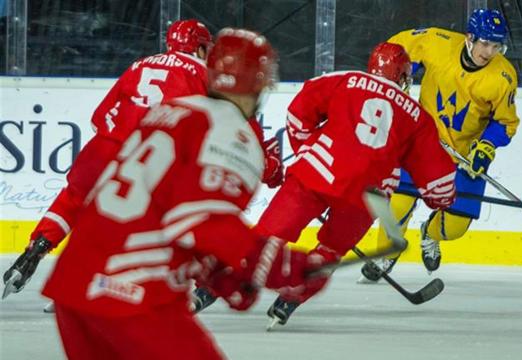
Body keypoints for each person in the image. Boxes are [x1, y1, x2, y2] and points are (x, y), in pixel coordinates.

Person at [39, 28, 324, 359]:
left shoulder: (168, 112)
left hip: (74, 286)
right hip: (131, 293)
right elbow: (199, 222)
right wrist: (279, 264)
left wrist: (219, 273)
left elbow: (165, 210)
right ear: (259, 82)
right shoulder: (231, 131)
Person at [193, 42, 457, 328]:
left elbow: (298, 112)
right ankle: (290, 299)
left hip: (316, 174)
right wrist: (440, 200)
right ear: (403, 76)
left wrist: (309, 151)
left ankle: (209, 289)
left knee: (267, 237)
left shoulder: (343, 80)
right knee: (330, 251)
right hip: (367, 197)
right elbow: (438, 183)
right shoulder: (417, 116)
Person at [2, 19, 213, 298]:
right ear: (199, 47)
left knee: (72, 200)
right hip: (147, 156)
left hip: (102, 147)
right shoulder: (202, 73)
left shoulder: (140, 65)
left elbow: (99, 118)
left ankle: (33, 252)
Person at [359, 8, 520, 282]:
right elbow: (394, 50)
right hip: (420, 144)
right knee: (397, 204)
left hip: (464, 155)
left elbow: (505, 123)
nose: (489, 52)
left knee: (455, 227)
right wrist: (400, 75)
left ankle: (430, 233)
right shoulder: (437, 42)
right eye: (484, 43)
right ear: (469, 38)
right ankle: (387, 252)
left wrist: (486, 147)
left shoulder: (503, 77)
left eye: (496, 46)